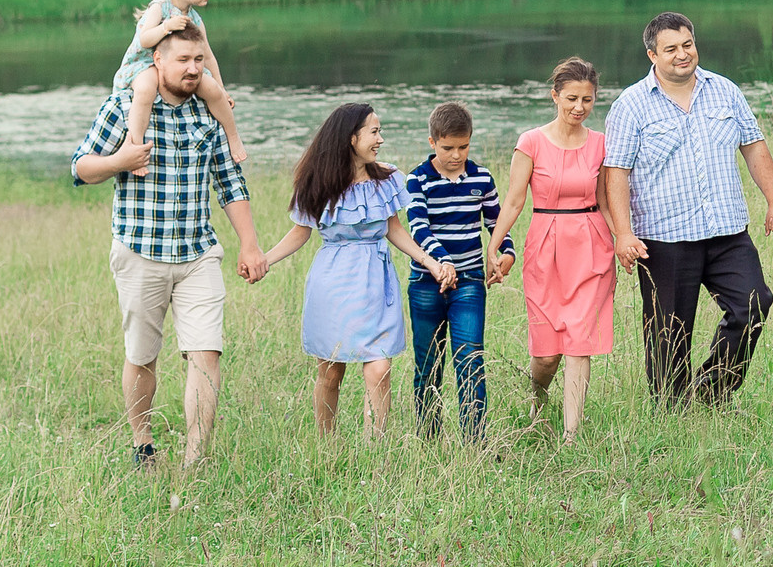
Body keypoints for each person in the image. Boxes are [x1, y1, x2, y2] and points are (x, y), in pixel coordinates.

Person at [71, 22, 267, 469]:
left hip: (198, 254)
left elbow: (231, 184)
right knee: (142, 355)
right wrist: (120, 160)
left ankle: (196, 457)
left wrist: (250, 245)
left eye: (199, 60)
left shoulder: (208, 114)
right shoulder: (126, 106)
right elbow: (80, 167)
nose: (193, 69)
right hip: (141, 252)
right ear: (156, 60)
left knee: (207, 351)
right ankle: (143, 445)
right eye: (183, 60)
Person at [601, 12, 773, 407]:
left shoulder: (724, 91)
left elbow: (754, 146)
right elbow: (615, 173)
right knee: (669, 332)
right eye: (670, 49)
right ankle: (671, 413)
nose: (682, 54)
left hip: (726, 231)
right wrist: (623, 232)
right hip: (664, 238)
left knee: (754, 302)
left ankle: (709, 391)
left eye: (687, 44)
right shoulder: (631, 105)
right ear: (652, 54)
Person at [259, 103, 449, 436]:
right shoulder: (318, 181)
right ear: (351, 138)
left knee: (380, 369)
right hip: (332, 284)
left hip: (376, 283)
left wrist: (429, 262)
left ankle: (376, 451)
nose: (381, 139)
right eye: (374, 132)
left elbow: (395, 229)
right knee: (331, 372)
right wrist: (265, 259)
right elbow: (300, 232)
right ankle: (326, 445)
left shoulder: (386, 178)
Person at [486, 59, 616, 442]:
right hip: (544, 246)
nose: (579, 107)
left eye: (588, 100)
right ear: (554, 96)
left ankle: (571, 434)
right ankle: (538, 398)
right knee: (547, 353)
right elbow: (512, 202)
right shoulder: (531, 142)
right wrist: (493, 246)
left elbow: (606, 201)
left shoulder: (601, 145)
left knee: (580, 342)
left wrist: (619, 241)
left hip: (591, 244)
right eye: (572, 98)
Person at [403, 101, 514, 441]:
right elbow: (418, 228)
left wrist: (506, 253)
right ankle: (429, 438)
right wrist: (441, 262)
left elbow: (497, 223)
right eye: (448, 148)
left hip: (468, 283)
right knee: (428, 366)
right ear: (432, 142)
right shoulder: (417, 179)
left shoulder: (481, 178)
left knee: (470, 361)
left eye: (463, 147)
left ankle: (474, 441)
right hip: (426, 283)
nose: (456, 155)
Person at [114, 0, 248, 168]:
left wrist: (222, 88)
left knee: (212, 89)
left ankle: (233, 137)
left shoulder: (195, 18)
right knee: (146, 89)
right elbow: (145, 39)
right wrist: (166, 26)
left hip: (183, 67)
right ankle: (135, 148)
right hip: (146, 62)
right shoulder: (160, 7)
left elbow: (209, 56)